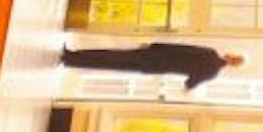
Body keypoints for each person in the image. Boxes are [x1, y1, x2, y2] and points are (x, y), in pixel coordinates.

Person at [59, 42, 248, 92]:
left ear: (231, 56)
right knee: (113, 64)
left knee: (111, 54)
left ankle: (72, 55)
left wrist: (155, 45)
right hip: (155, 67)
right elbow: (190, 83)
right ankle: (71, 62)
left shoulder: (210, 53)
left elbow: (181, 48)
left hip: (155, 55)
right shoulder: (212, 73)